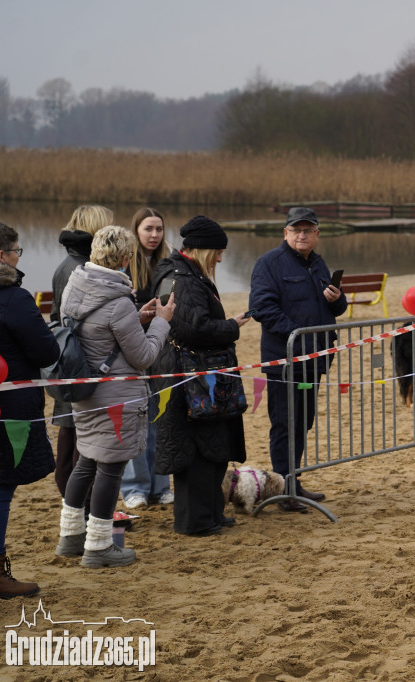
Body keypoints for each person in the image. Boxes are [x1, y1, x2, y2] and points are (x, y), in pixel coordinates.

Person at [56, 226, 173, 568]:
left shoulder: (78, 286)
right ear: (124, 259)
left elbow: (98, 333)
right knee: (110, 468)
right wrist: (161, 323)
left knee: (86, 462)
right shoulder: (118, 301)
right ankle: (98, 546)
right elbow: (144, 357)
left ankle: (70, 536)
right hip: (115, 398)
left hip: (85, 390)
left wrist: (136, 320)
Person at [150, 216, 250, 534]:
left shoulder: (191, 275)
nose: (221, 258)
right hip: (189, 380)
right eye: (218, 252)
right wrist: (232, 326)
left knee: (214, 446)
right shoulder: (183, 279)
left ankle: (212, 513)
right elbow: (194, 329)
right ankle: (196, 521)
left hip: (203, 378)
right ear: (204, 250)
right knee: (196, 452)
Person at [249, 207, 347, 512]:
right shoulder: (269, 264)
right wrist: (297, 335)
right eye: (296, 230)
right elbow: (262, 308)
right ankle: (283, 489)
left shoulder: (318, 264)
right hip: (285, 361)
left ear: (317, 235)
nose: (302, 235)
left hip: (314, 362)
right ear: (286, 233)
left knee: (303, 422)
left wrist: (337, 299)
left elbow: (335, 308)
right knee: (284, 423)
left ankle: (295, 481)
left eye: (308, 230)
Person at [0, 222, 60, 596]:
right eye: (17, 251)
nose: (20, 258)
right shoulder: (12, 298)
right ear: (2, 256)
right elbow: (47, 351)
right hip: (7, 410)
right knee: (0, 486)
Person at [50, 205, 114, 500]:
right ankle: (78, 507)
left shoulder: (73, 262)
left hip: (71, 360)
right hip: (77, 362)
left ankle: (76, 506)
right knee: (76, 442)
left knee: (71, 437)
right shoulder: (77, 267)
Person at [120, 208, 172, 509]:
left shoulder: (168, 263)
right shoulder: (126, 265)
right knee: (136, 421)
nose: (154, 235)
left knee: (159, 419)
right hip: (133, 351)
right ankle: (134, 488)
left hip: (163, 350)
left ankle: (160, 485)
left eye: (159, 229)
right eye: (148, 229)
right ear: (136, 231)